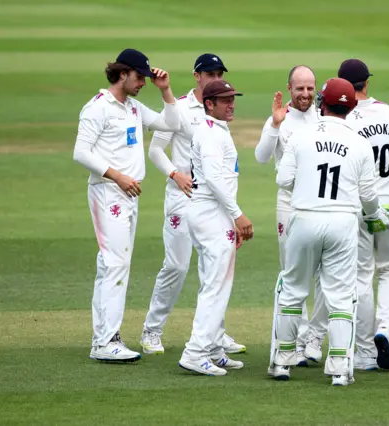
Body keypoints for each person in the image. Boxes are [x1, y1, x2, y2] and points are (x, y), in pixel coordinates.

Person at [269, 78, 389, 386]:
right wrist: (376, 216)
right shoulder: (360, 143)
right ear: (351, 107)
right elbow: (368, 194)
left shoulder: (300, 135)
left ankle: (282, 362)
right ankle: (339, 369)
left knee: (294, 290)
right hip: (342, 222)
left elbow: (283, 180)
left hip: (304, 217)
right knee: (340, 296)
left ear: (320, 103)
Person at [73, 48, 181, 362]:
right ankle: (106, 342)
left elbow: (169, 124)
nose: (143, 83)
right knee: (115, 265)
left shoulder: (132, 107)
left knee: (112, 265)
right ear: (122, 74)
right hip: (108, 193)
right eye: (139, 77)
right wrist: (118, 177)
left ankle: (104, 336)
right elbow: (81, 152)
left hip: (127, 195)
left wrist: (166, 91)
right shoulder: (98, 108)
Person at [302, 59, 389, 371]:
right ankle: (385, 329)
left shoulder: (344, 119)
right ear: (366, 83)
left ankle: (363, 352)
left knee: (361, 275)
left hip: (359, 202)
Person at [140, 53, 245, 356]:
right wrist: (175, 174)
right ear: (197, 76)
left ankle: (215, 335)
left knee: (215, 265)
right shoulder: (180, 107)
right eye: (209, 73)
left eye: (219, 73)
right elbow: (156, 150)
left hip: (210, 199)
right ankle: (152, 330)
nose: (215, 77)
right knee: (177, 264)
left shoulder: (219, 105)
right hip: (181, 195)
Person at [178, 80, 254, 376]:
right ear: (209, 104)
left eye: (232, 98)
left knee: (217, 281)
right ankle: (195, 352)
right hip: (210, 213)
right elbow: (212, 177)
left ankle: (211, 349)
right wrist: (237, 215)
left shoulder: (217, 130)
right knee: (215, 285)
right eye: (225, 100)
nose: (231, 104)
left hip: (213, 213)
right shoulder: (210, 134)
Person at [255, 65, 325, 366]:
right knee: (293, 272)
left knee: (325, 274)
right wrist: (274, 124)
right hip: (289, 204)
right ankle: (295, 340)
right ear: (289, 88)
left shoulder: (324, 118)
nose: (305, 94)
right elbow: (260, 157)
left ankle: (314, 336)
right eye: (300, 89)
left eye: (310, 88)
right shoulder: (280, 119)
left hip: (322, 204)